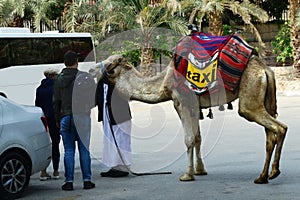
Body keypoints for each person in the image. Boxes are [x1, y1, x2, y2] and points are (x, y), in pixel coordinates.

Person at [53, 50, 95, 190]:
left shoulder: (58, 79)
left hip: (66, 117)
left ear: (65, 63)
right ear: (76, 62)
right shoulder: (85, 77)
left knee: (69, 150)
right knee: (84, 150)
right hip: (82, 116)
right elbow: (93, 99)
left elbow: (56, 102)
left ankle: (69, 182)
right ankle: (87, 180)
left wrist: (58, 119)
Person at [96, 75, 132, 177]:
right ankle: (115, 166)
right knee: (111, 141)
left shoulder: (120, 81)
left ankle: (122, 167)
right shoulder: (103, 82)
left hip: (120, 116)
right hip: (109, 116)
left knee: (121, 141)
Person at [35, 68, 60, 181]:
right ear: (53, 76)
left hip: (44, 120)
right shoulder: (56, 88)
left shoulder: (39, 89)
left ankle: (43, 171)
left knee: (45, 145)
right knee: (55, 144)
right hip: (54, 119)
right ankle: (55, 171)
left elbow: (37, 105)